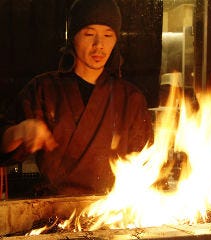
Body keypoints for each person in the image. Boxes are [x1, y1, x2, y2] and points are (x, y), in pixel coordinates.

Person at [0, 0, 153, 196]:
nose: (99, 45)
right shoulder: (44, 89)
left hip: (111, 213)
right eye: (89, 34)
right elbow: (3, 144)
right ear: (72, 37)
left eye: (108, 35)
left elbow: (147, 166)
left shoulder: (131, 99)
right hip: (52, 213)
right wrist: (18, 132)